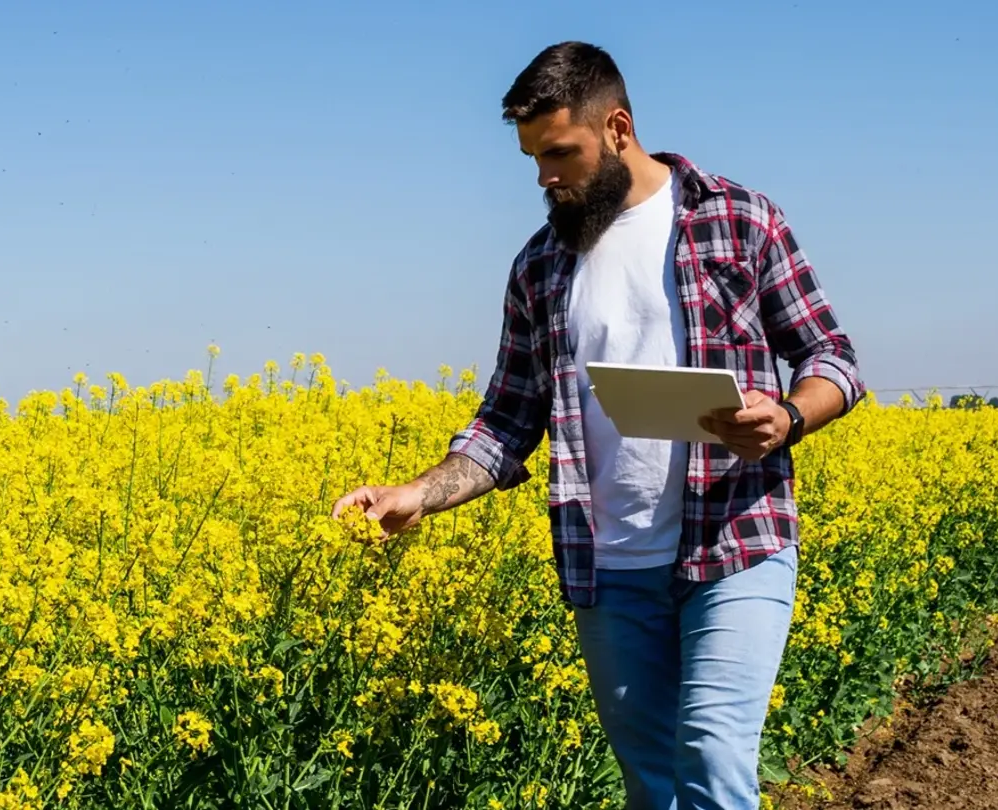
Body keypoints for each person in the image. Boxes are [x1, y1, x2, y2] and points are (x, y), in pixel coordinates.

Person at [330, 41, 863, 810]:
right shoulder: (541, 266)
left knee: (713, 761)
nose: (544, 177)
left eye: (559, 154)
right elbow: (509, 419)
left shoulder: (739, 220)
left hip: (738, 539)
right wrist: (418, 493)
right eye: (533, 160)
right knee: (651, 787)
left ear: (617, 128)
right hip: (609, 567)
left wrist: (787, 415)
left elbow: (831, 357)